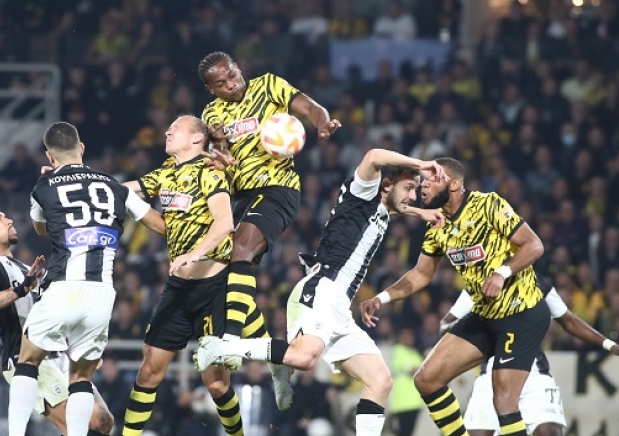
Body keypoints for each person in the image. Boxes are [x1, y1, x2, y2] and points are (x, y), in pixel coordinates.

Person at [194, 149, 447, 436]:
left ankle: (278, 365)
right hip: (321, 289)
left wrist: (420, 212)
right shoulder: (362, 193)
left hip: (340, 308)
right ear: (385, 184)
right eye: (409, 188)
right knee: (304, 358)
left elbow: (395, 206)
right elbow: (374, 155)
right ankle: (220, 347)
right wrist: (421, 164)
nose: (413, 196)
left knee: (379, 380)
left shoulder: (380, 208)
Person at [360, 157, 551, 436]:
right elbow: (422, 273)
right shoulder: (437, 223)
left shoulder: (488, 204)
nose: (422, 187)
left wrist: (501, 273)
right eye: (422, 182)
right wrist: (382, 298)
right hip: (485, 315)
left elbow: (534, 245)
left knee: (504, 401)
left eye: (431, 181)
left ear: (454, 184)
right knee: (427, 379)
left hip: (522, 313)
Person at [8, 122, 166, 436]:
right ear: (81, 148)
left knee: (26, 361)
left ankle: (14, 433)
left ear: (49, 156)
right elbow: (159, 225)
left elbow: (41, 229)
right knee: (81, 378)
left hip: (64, 287)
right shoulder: (116, 186)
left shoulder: (43, 187)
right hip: (101, 294)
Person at [119, 115, 269, 436]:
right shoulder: (166, 171)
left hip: (214, 287)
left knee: (215, 385)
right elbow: (124, 190)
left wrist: (195, 252)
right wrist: (75, 178)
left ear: (197, 138)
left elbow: (225, 222)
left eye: (175, 128)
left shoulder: (210, 171)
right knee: (148, 373)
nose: (167, 131)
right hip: (178, 289)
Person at [198, 51, 341, 346]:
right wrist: (221, 154)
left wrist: (322, 123)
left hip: (278, 188)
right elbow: (218, 143)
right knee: (229, 273)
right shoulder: (211, 113)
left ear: (238, 68)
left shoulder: (268, 85)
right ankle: (269, 350)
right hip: (240, 196)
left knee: (241, 249)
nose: (231, 84)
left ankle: (230, 340)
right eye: (221, 84)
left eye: (232, 75)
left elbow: (310, 107)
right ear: (210, 89)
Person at [0, 201, 115, 436]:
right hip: (26, 357)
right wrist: (19, 290)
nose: (9, 220)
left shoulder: (27, 268)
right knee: (79, 426)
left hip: (59, 353)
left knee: (103, 421)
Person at [442, 288, 619, 436]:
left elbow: (569, 321)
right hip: (491, 375)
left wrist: (609, 344)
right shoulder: (478, 285)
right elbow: (446, 324)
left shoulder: (538, 284)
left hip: (533, 373)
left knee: (549, 432)